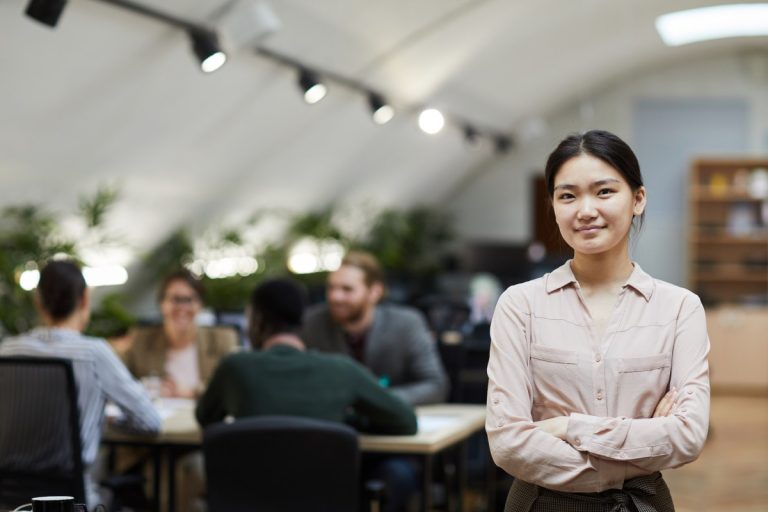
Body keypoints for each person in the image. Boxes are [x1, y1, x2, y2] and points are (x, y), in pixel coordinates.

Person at [486, 129, 710, 511]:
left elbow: (687, 436)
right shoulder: (519, 305)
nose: (585, 210)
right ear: (553, 206)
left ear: (638, 199)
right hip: (543, 503)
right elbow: (508, 443)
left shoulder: (679, 308)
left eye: (604, 191)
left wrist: (568, 427)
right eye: (567, 195)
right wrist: (636, 448)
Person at [0, 260, 161, 508]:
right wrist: (106, 419)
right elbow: (149, 421)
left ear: (38, 302)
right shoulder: (94, 353)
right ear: (84, 299)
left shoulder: (7, 351)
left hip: (9, 500)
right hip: (71, 501)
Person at [196, 278, 417, 434]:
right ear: (303, 320)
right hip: (327, 497)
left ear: (257, 321)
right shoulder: (342, 370)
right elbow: (406, 421)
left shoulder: (234, 367)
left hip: (246, 496)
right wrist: (345, 421)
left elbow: (206, 418)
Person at [301, 250, 448, 405]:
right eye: (331, 288)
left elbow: (436, 386)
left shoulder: (405, 323)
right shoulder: (312, 322)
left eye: (347, 289)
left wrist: (379, 402)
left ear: (375, 292)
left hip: (392, 420)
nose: (335, 297)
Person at [121, 269, 237, 398]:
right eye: (175, 299)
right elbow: (119, 382)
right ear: (162, 304)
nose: (182, 307)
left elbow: (232, 385)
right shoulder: (141, 339)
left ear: (200, 305)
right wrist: (150, 388)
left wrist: (191, 392)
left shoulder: (222, 339)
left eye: (189, 299)